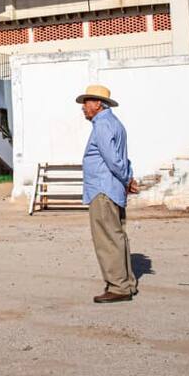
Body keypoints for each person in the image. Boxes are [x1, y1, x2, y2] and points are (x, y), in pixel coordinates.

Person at [77, 84, 139, 304]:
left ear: (98, 104)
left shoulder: (102, 125)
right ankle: (126, 282)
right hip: (111, 188)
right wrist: (128, 178)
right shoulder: (115, 124)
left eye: (87, 102)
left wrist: (125, 178)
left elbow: (113, 159)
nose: (83, 107)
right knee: (117, 235)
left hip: (103, 189)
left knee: (107, 238)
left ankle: (118, 287)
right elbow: (123, 157)